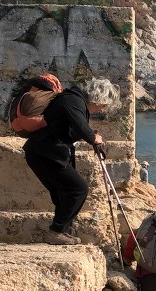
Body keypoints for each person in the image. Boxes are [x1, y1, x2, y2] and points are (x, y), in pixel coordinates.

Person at [22, 75, 120, 245]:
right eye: (104, 105)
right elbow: (80, 125)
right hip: (45, 153)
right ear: (98, 99)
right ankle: (56, 232)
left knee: (63, 192)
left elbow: (75, 126)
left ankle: (64, 230)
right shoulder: (73, 101)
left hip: (44, 152)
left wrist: (91, 136)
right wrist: (93, 138)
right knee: (78, 189)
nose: (103, 110)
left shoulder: (75, 101)